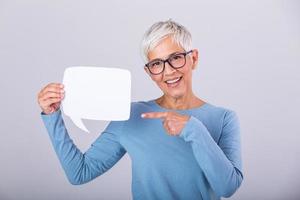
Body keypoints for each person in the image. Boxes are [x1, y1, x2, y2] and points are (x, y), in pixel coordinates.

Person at [37, 19, 243, 200]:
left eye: (176, 57)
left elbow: (227, 187)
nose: (168, 71)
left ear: (193, 58)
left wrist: (193, 128)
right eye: (156, 64)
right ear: (149, 72)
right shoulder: (131, 116)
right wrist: (52, 115)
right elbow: (79, 173)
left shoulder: (223, 118)